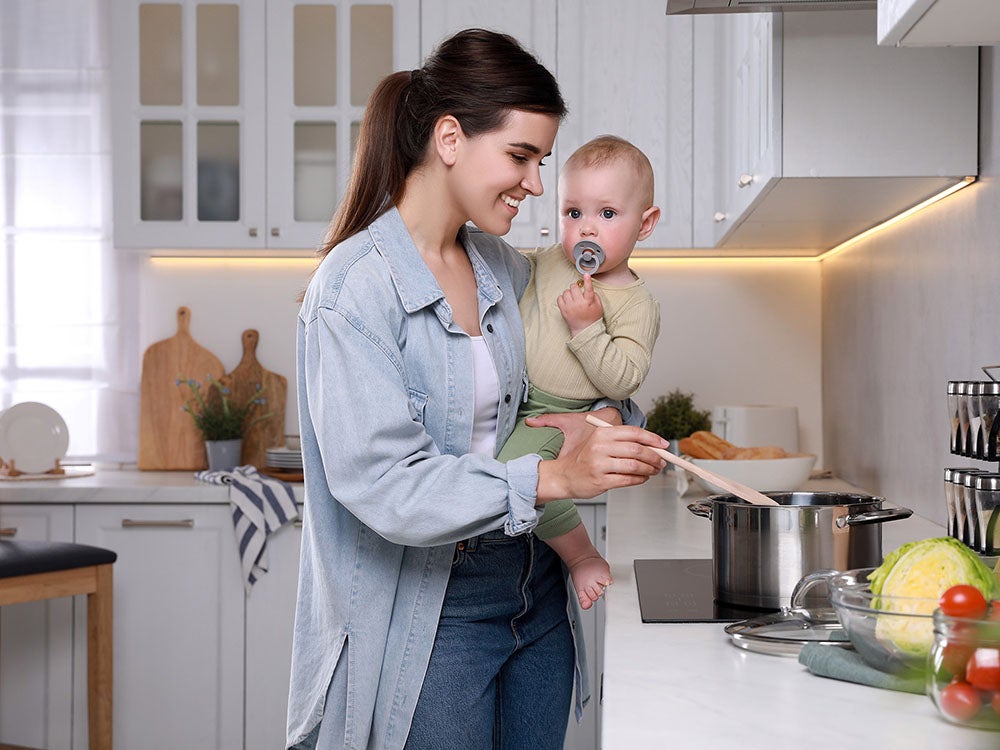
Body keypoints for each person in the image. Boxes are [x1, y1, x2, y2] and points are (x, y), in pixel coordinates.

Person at [286, 28, 669, 750]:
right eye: (521, 157)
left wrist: (611, 417)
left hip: (536, 583)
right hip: (435, 604)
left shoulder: (506, 267)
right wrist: (554, 474)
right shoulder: (353, 291)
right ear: (451, 139)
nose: (535, 183)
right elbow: (387, 486)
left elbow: (578, 382)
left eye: (541, 161)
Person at [497, 135, 661, 610]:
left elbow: (624, 379)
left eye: (607, 215)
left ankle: (582, 556)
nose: (587, 229)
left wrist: (587, 328)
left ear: (644, 224)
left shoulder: (636, 303)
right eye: (574, 214)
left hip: (562, 412)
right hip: (519, 398)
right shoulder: (548, 262)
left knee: (520, 480)